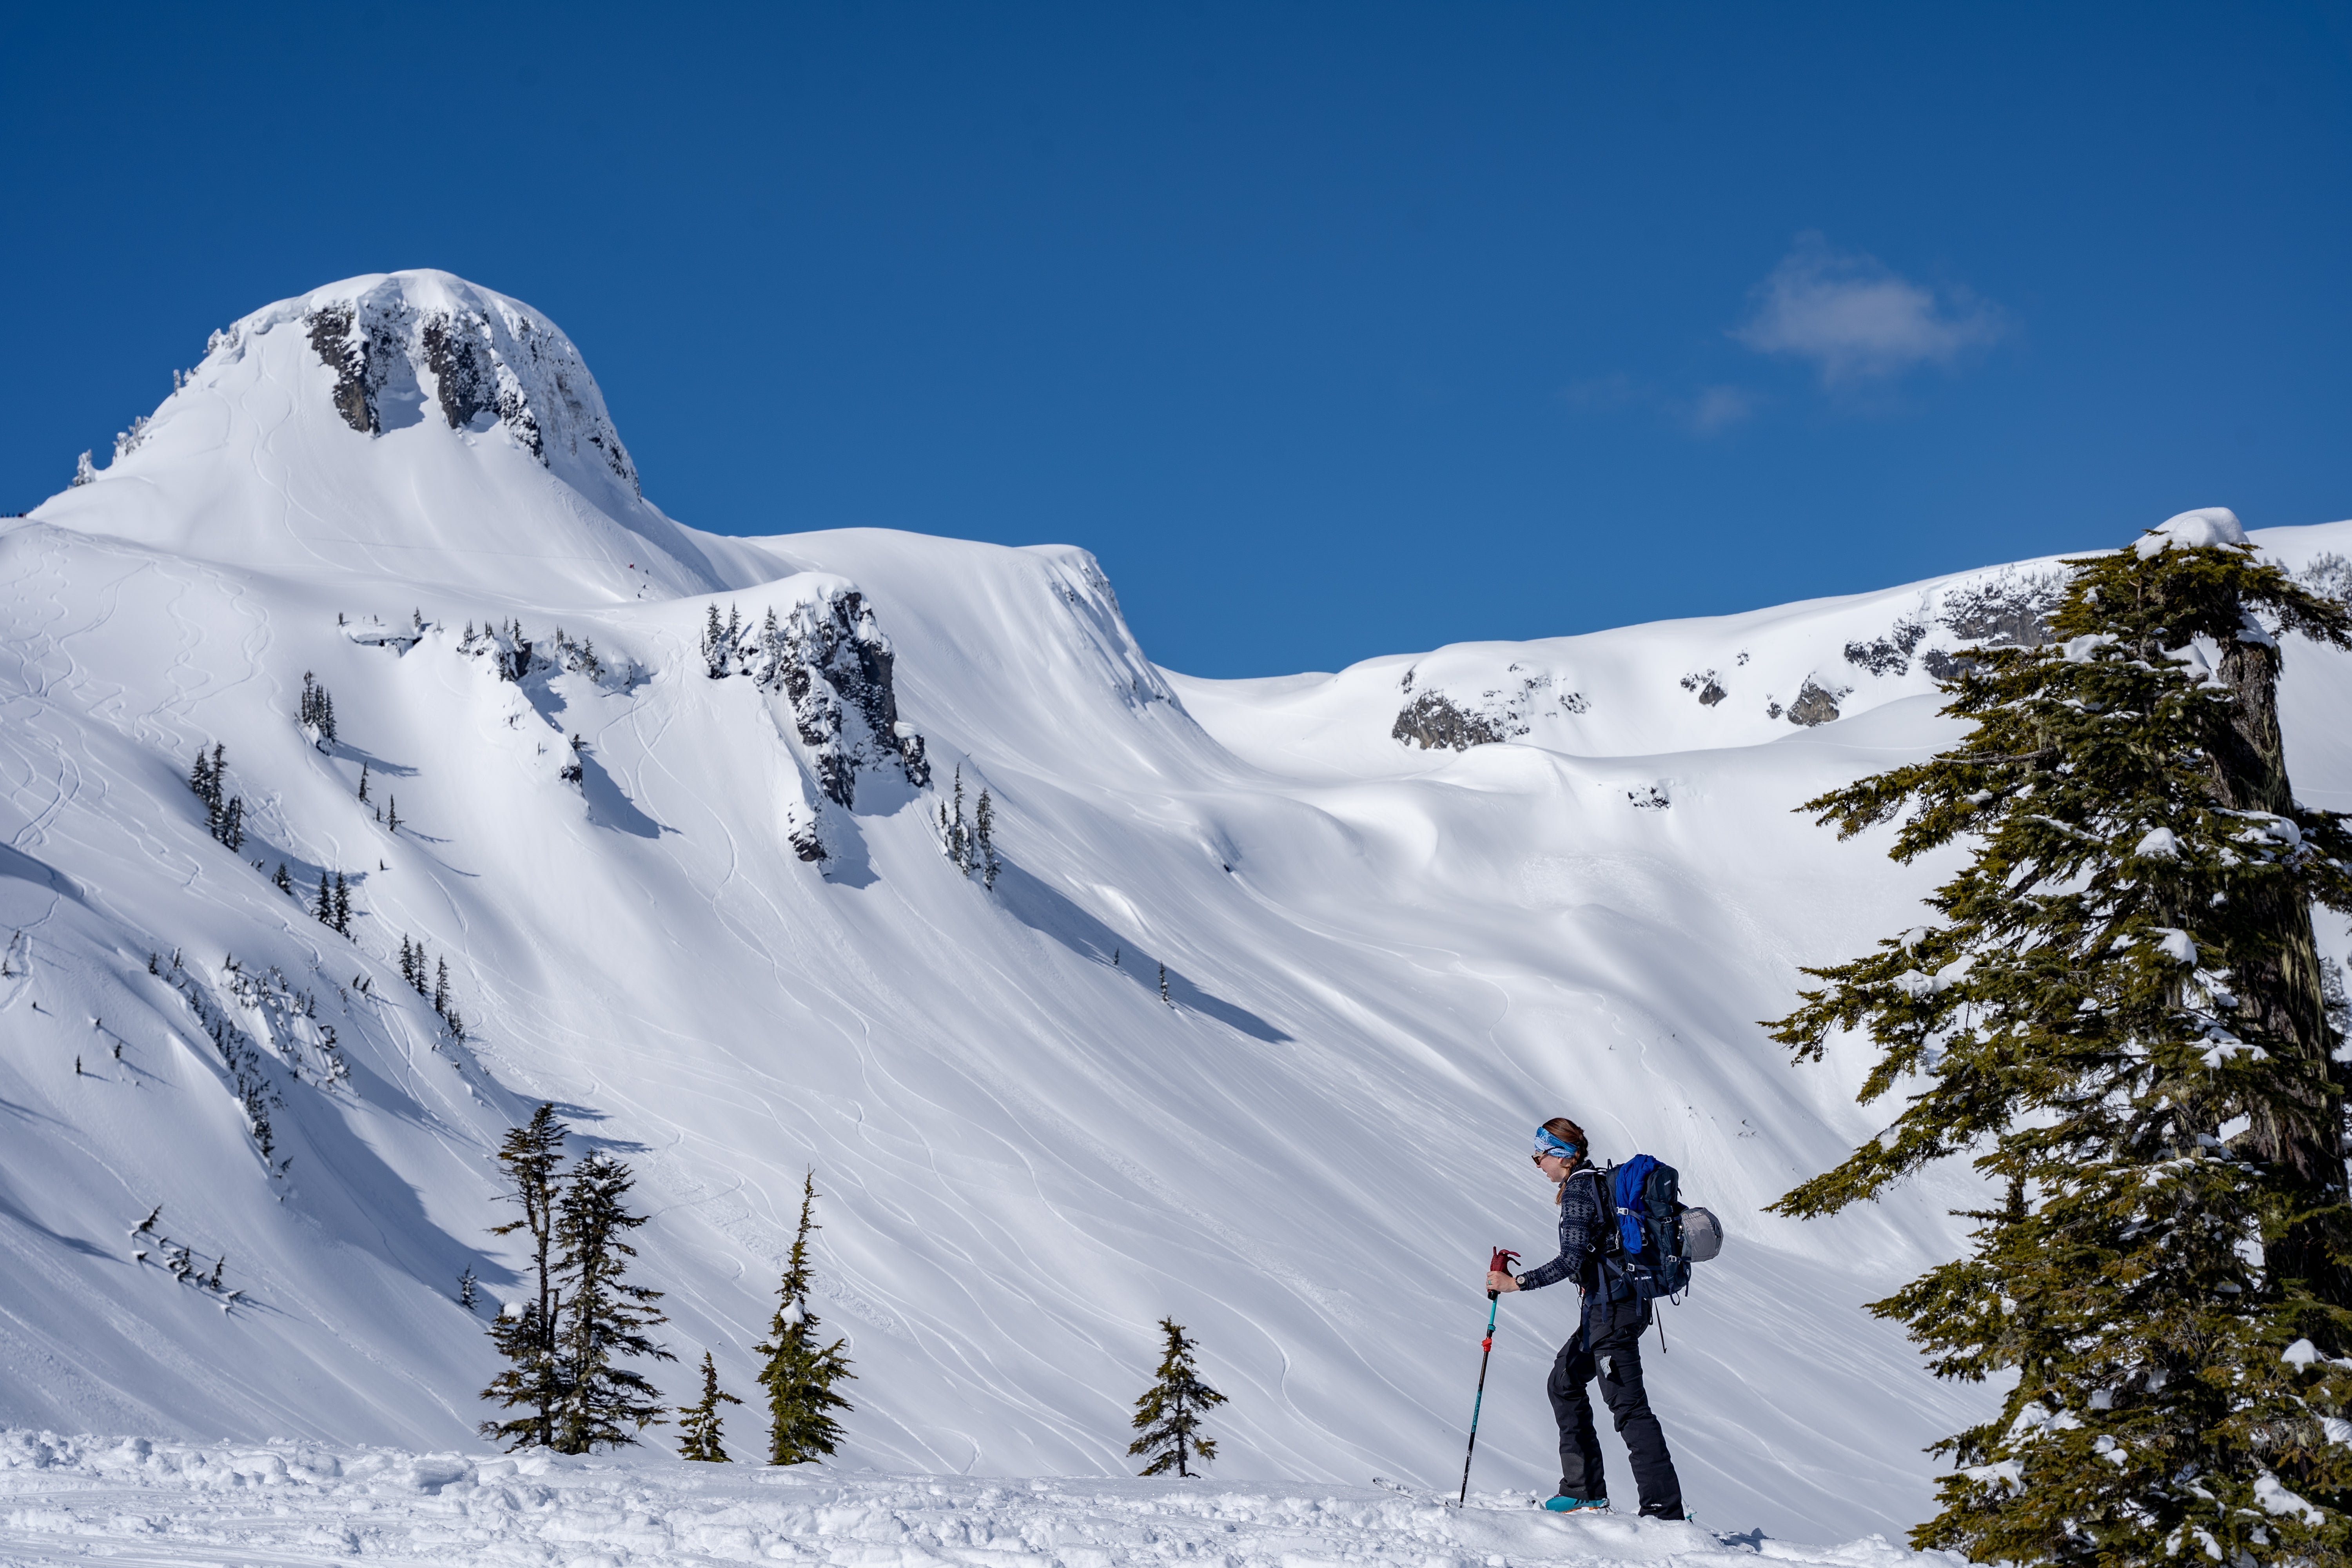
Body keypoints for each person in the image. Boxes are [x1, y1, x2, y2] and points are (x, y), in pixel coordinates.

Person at [1485, 1117, 1684, 1519]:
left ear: (1560, 1155)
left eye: (1539, 1155)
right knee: (1564, 1381)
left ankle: (1664, 1509)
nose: (1537, 1163)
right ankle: (1583, 1488)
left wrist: (1516, 1283)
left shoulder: (1579, 1189)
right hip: (1610, 1309)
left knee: (1628, 1407)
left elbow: (1570, 1259)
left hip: (1614, 1313)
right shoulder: (1595, 1181)